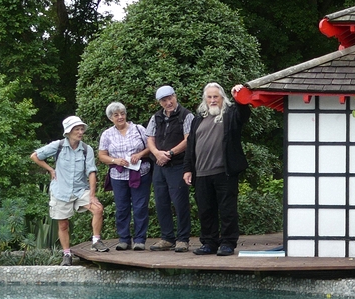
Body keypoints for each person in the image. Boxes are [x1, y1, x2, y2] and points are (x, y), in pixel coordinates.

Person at [183, 83, 250, 256]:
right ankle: (209, 243)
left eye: (216, 97)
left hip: (224, 171)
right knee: (205, 210)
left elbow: (244, 114)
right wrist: (188, 168)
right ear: (205, 99)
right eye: (209, 97)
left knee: (227, 210)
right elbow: (191, 145)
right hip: (202, 173)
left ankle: (228, 243)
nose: (213, 100)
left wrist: (240, 96)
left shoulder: (230, 115)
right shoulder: (198, 119)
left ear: (222, 98)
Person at [31, 116, 107, 266]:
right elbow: (35, 156)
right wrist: (50, 169)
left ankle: (96, 241)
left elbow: (91, 172)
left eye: (81, 129)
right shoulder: (57, 146)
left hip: (80, 190)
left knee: (98, 209)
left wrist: (92, 195)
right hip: (60, 191)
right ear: (68, 132)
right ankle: (67, 254)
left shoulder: (87, 149)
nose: (80, 132)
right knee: (63, 225)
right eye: (76, 129)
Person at [98, 102, 152, 250]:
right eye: (116, 115)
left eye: (122, 113)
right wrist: (115, 160)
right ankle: (124, 239)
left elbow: (151, 146)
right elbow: (102, 155)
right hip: (118, 175)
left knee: (140, 207)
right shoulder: (107, 134)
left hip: (141, 173)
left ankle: (140, 240)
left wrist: (140, 154)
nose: (120, 117)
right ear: (111, 118)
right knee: (122, 208)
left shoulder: (139, 129)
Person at [146, 85, 194, 252]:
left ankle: (183, 239)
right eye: (164, 100)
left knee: (180, 202)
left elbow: (189, 140)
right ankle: (167, 238)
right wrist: (157, 153)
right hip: (159, 165)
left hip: (178, 164)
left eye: (170, 98)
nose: (168, 102)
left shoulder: (186, 115)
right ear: (160, 103)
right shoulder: (156, 117)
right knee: (161, 202)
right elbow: (150, 139)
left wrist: (170, 153)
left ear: (175, 96)